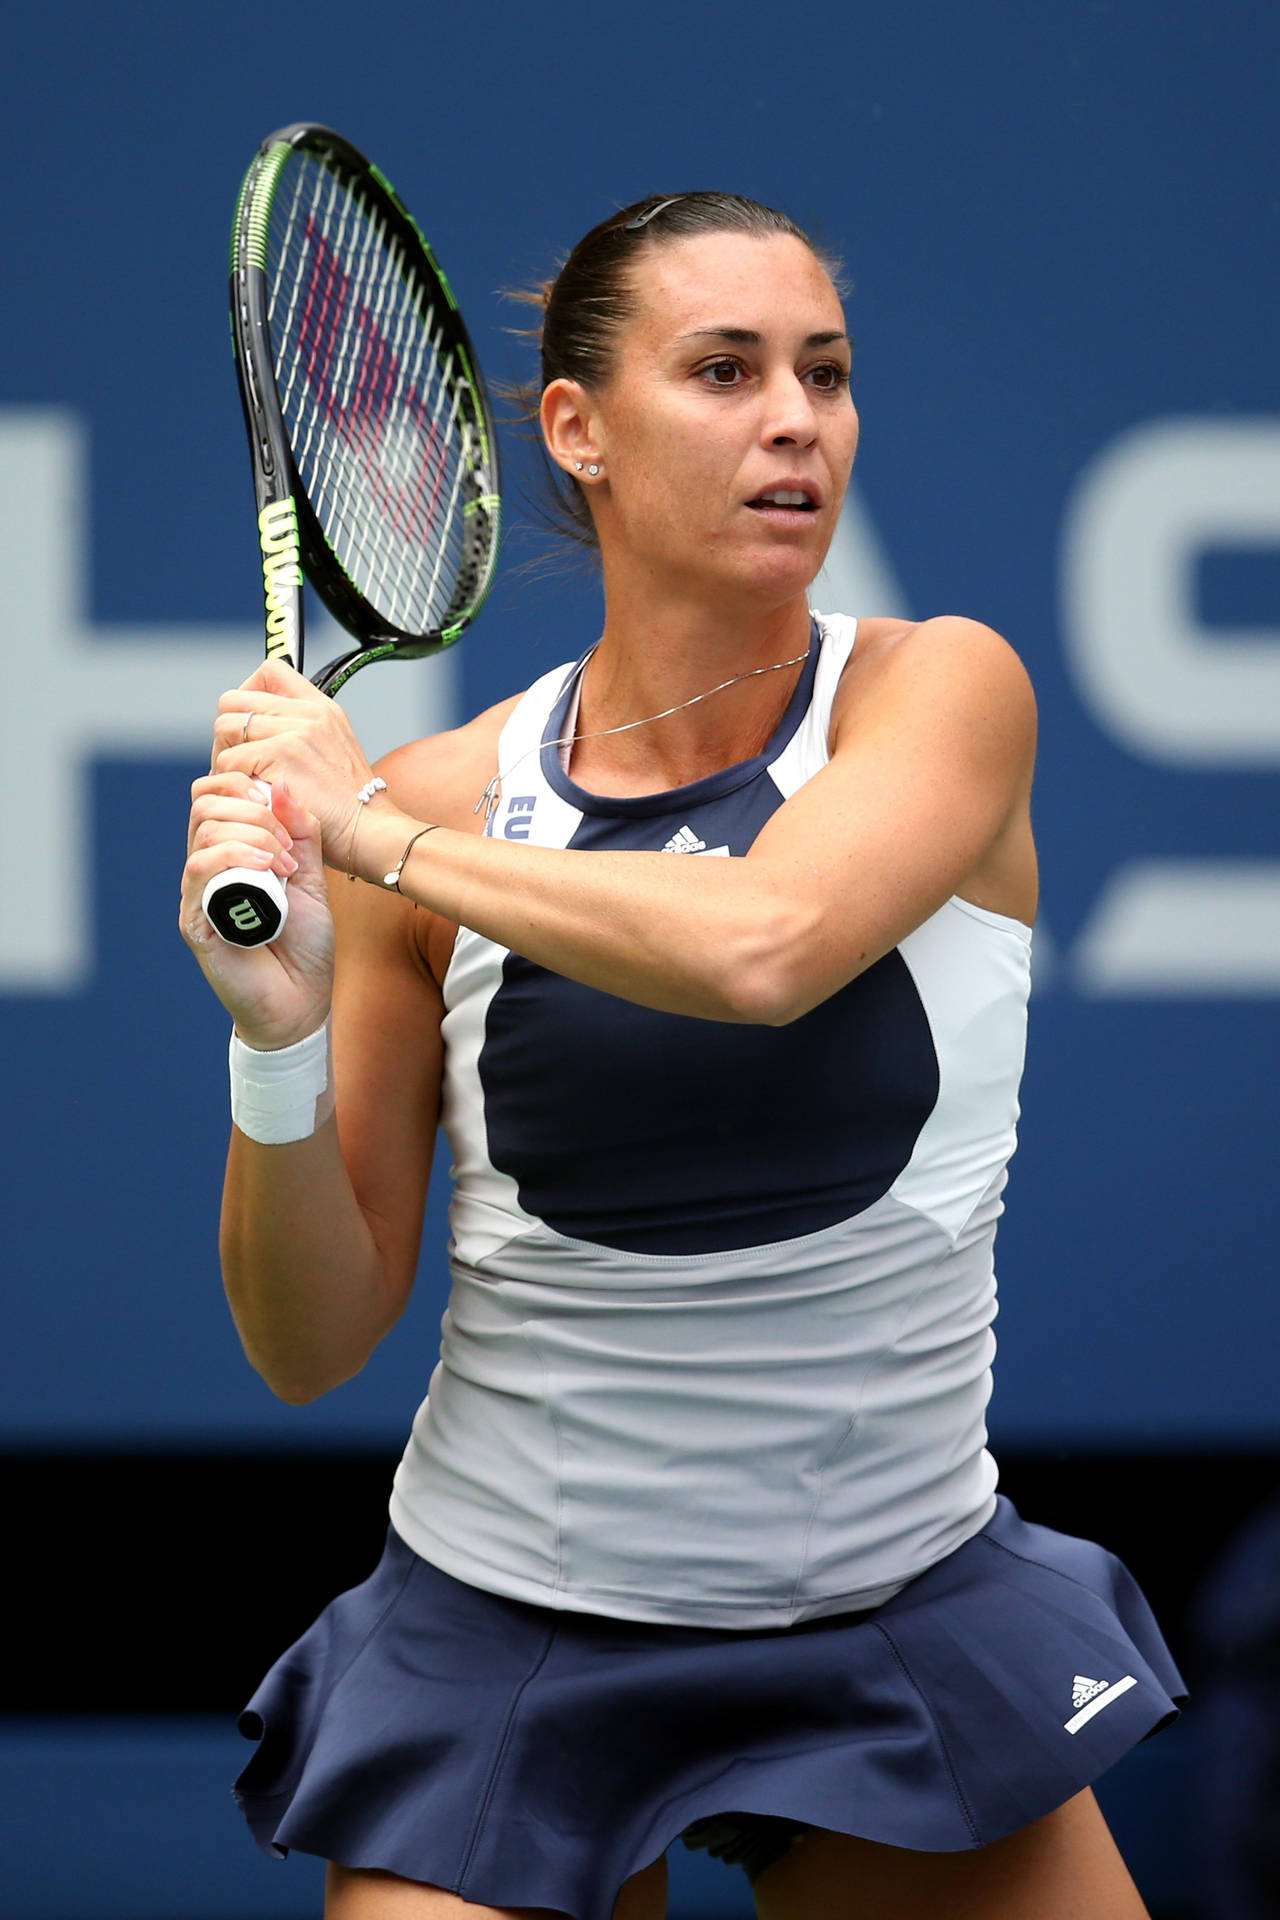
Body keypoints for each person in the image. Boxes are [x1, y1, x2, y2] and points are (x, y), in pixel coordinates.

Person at [180, 193, 1185, 1920]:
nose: (797, 418)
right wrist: (273, 1049)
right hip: (510, 1627)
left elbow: (769, 948)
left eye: (827, 373)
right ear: (578, 432)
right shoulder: (437, 801)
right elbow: (308, 1339)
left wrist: (372, 840)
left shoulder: (938, 694)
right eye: (724, 371)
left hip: (890, 1613)